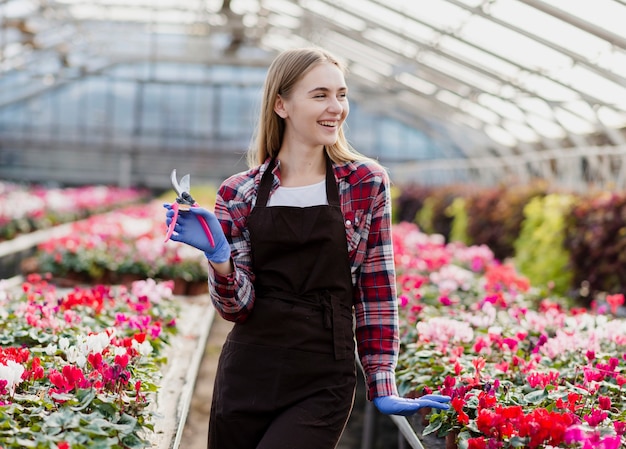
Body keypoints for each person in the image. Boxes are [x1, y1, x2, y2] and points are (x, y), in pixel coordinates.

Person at [164, 47, 450, 449]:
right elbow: (236, 308)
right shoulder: (239, 192)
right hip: (248, 372)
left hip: (322, 378)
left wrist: (381, 380)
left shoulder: (365, 183)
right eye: (320, 95)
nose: (336, 107)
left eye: (342, 94)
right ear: (281, 104)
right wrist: (220, 259)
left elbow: (376, 289)